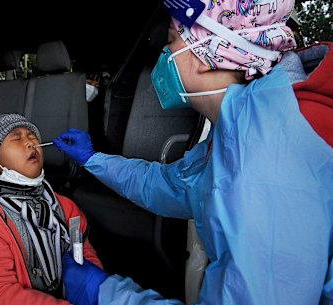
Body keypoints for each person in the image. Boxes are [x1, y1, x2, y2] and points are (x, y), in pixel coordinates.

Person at [53, 0, 333, 304]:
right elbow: (170, 186)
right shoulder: (244, 125)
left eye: (171, 40)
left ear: (206, 53)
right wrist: (93, 159)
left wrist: (105, 294)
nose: (164, 55)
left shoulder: (267, 162)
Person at [0, 113, 104, 305]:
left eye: (32, 136)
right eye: (16, 138)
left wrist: (94, 292)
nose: (30, 142)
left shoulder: (66, 207)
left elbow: (83, 251)